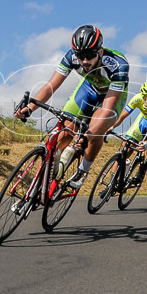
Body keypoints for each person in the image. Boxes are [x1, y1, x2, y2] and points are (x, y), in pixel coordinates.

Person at [14, 24, 130, 189]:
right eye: (80, 56)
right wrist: (30, 108)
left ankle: (82, 172)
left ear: (101, 52)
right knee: (66, 129)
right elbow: (50, 87)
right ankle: (46, 177)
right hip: (89, 88)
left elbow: (106, 110)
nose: (84, 61)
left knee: (96, 130)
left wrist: (86, 137)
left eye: (89, 55)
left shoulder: (118, 66)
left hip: (111, 96)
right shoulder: (72, 57)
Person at [106, 78, 147, 170]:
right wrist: (111, 126)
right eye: (145, 98)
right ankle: (113, 177)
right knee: (126, 146)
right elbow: (122, 116)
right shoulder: (137, 98)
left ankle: (143, 166)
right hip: (144, 120)